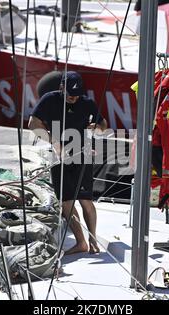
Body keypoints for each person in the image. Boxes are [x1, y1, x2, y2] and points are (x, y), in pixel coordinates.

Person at [28, 71, 108, 255]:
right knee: (66, 202)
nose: (73, 98)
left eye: (77, 94)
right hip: (59, 156)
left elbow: (103, 125)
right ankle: (81, 242)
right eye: (70, 94)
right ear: (62, 87)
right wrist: (55, 143)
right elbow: (33, 123)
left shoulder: (86, 103)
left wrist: (96, 127)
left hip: (82, 154)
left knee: (86, 200)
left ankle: (93, 240)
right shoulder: (50, 99)